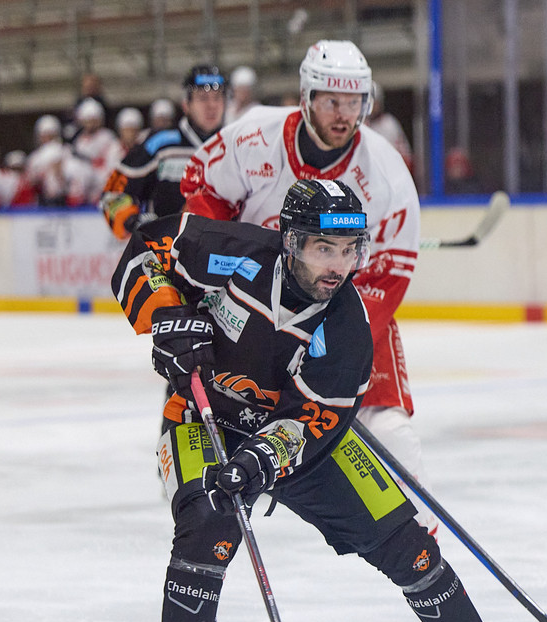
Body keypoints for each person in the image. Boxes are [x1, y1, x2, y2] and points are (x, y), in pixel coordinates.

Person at [111, 178, 532, 622]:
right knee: (210, 519)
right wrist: (166, 315)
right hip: (201, 417)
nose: (338, 265)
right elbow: (144, 249)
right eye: (323, 249)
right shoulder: (231, 252)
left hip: (299, 441)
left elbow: (313, 422)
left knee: (401, 536)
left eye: (349, 250)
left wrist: (260, 459)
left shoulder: (349, 328)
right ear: (290, 241)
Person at [181, 39, 437, 537]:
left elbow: (388, 274)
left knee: (388, 426)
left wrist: (337, 347)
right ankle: (202, 542)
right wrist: (207, 286)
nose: (343, 114)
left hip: (343, 310)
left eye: (354, 102)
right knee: (217, 427)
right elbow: (203, 196)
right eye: (331, 101)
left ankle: (421, 549)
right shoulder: (253, 137)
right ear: (306, 97)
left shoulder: (386, 174)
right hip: (255, 307)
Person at [101, 65, 228, 240]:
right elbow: (113, 191)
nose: (211, 106)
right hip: (166, 252)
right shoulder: (161, 144)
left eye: (217, 98)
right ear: (186, 105)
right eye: (203, 98)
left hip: (221, 252)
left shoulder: (235, 145)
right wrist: (132, 220)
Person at [71, 98, 120, 191]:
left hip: (104, 181)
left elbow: (112, 161)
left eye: (93, 120)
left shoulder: (107, 136)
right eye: (88, 121)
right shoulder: (79, 140)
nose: (91, 124)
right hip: (85, 185)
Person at [367, 82, 413, 173]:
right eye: (369, 103)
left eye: (375, 103)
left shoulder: (388, 124)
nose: (372, 107)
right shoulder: (362, 125)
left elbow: (405, 159)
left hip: (389, 172)